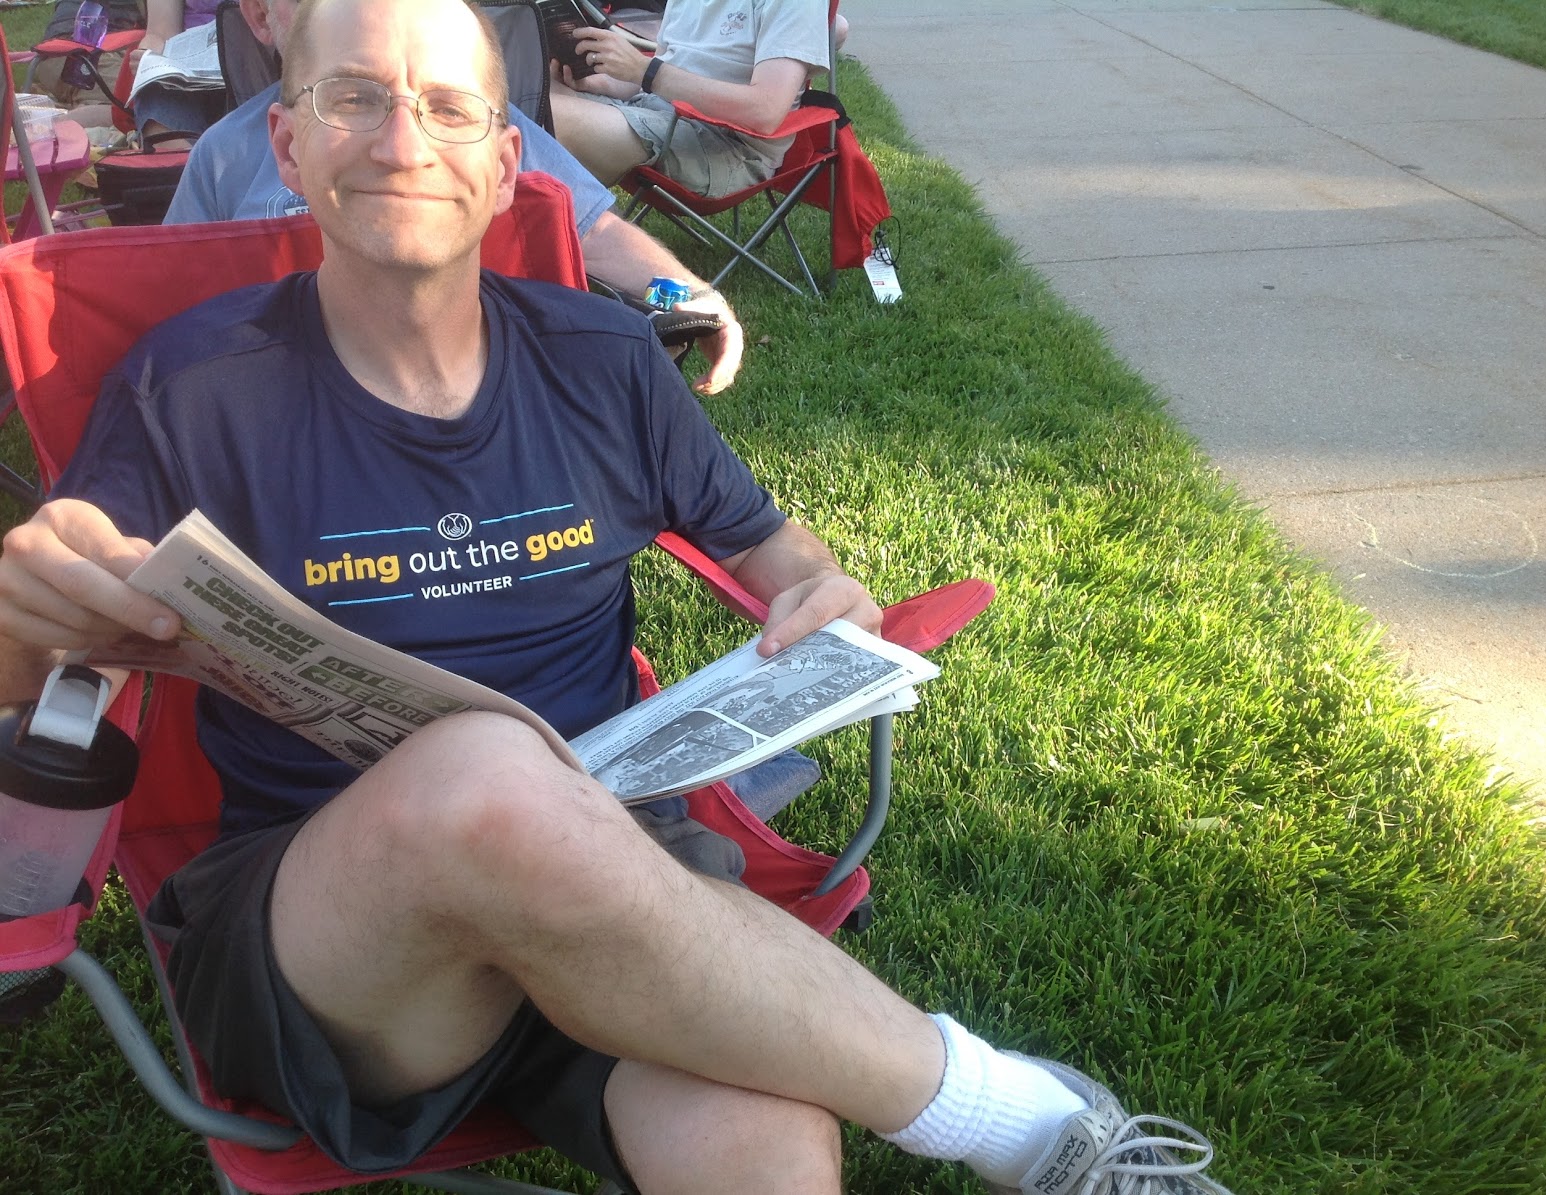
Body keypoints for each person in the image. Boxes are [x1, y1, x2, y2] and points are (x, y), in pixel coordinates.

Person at [0, 2, 1232, 1192]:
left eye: (447, 107)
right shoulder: (196, 388)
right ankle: (1020, 1120)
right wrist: (27, 615)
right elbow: (53, 646)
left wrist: (823, 596)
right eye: (353, 98)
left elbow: (780, 555)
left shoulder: (600, 362)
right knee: (483, 770)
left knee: (765, 1139)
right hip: (344, 945)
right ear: (286, 142)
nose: (401, 142)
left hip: (623, 872)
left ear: (505, 162)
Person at [164, 0, 745, 397]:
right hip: (286, 393)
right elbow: (172, 302)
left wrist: (691, 295)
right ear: (260, 17)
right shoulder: (224, 155)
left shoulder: (469, 119)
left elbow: (590, 228)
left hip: (473, 389)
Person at [549, 0, 829, 197]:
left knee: (545, 116)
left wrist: (646, 71)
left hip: (724, 146)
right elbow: (661, 71)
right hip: (655, 112)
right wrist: (598, 83)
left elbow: (765, 112)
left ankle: (594, 246)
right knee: (531, 91)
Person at [127, 0, 227, 143]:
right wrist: (148, 57)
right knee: (154, 87)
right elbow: (159, 33)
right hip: (186, 71)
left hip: (249, 69)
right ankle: (178, 156)